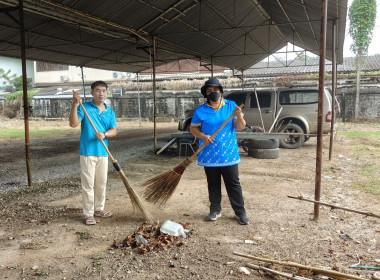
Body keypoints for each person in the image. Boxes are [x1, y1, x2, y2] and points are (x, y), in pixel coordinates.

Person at [190, 77, 249, 225]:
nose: (213, 92)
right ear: (206, 94)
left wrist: (238, 116)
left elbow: (240, 127)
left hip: (228, 153)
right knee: (213, 183)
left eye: (216, 90)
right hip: (209, 154)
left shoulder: (231, 106)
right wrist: (203, 136)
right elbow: (193, 129)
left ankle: (240, 213)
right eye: (209, 91)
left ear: (221, 91)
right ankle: (215, 210)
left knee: (233, 184)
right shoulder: (200, 111)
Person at [69, 81, 117, 226]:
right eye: (97, 90)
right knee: (88, 184)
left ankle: (99, 208)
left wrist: (105, 134)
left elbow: (114, 130)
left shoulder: (110, 111)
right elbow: (73, 123)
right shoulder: (85, 107)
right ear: (91, 93)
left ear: (107, 93)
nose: (101, 93)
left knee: (101, 183)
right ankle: (88, 213)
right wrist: (75, 104)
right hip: (87, 152)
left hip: (103, 152)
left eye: (103, 90)